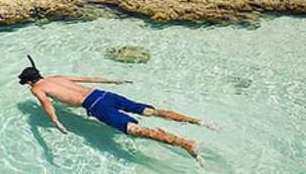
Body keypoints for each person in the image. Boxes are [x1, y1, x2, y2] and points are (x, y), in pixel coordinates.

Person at [18, 56, 218, 165]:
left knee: (134, 130)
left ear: (28, 82)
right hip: (104, 94)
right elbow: (88, 79)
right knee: (150, 111)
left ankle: (186, 144)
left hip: (96, 106)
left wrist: (56, 122)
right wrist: (115, 80)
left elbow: (47, 105)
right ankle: (199, 122)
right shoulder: (57, 77)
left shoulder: (37, 88)